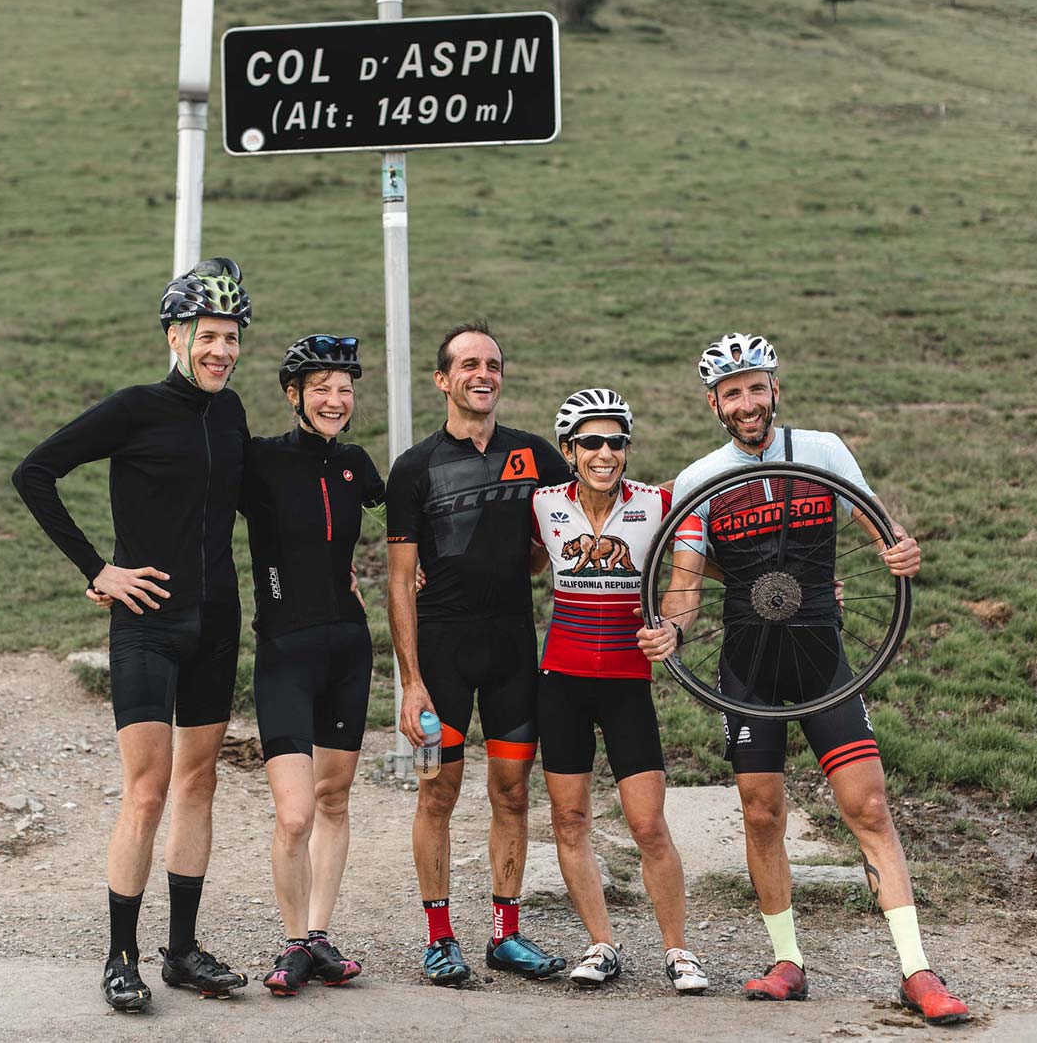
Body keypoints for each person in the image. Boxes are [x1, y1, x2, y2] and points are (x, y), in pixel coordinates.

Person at [638, 334, 969, 1026]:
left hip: (822, 657)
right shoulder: (699, 478)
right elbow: (687, 586)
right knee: (762, 813)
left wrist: (901, 552)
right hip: (747, 670)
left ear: (775, 389)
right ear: (714, 404)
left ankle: (917, 971)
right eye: (733, 393)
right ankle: (787, 960)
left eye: (757, 387)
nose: (747, 402)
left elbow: (884, 533)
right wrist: (671, 632)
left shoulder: (822, 450)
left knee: (869, 807)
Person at [12, 258, 253, 1013]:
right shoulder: (137, 407)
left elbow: (253, 504)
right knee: (147, 793)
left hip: (218, 622)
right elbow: (35, 472)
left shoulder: (234, 410)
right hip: (146, 626)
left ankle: (180, 952)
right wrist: (97, 569)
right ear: (177, 335)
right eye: (209, 336)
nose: (222, 350)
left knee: (199, 784)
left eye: (232, 337)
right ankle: (120, 956)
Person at [386, 321, 572, 987]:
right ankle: (439, 939)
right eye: (468, 364)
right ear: (443, 380)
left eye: (492, 363)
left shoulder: (537, 457)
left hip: (513, 651)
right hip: (441, 654)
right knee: (437, 794)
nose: (482, 374)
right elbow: (400, 583)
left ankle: (505, 934)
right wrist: (410, 683)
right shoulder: (413, 469)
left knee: (513, 794)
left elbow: (574, 529)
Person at [531, 389, 709, 995]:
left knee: (648, 825)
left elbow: (690, 580)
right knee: (569, 817)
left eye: (616, 442)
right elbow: (511, 558)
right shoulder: (543, 504)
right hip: (561, 680)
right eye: (591, 442)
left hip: (627, 683)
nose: (605, 453)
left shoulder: (660, 504)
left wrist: (676, 628)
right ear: (568, 450)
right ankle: (601, 943)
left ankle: (679, 951)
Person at [240, 336, 385, 996]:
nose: (336, 399)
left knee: (333, 799)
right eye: (322, 387)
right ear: (294, 394)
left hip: (348, 649)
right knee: (294, 813)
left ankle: (320, 937)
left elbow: (403, 518)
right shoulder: (260, 462)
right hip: (283, 651)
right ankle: (293, 939)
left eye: (345, 388)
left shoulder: (357, 464)